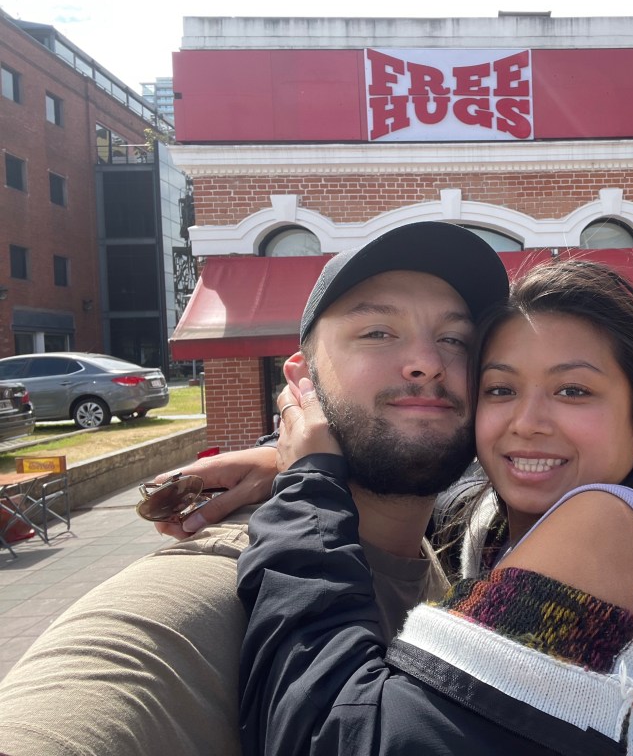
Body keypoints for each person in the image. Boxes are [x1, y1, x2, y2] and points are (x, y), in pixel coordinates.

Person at [237, 260, 633, 754]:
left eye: (573, 391)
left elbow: (341, 738)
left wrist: (308, 484)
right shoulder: (496, 530)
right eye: (501, 390)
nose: (527, 423)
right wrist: (307, 456)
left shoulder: (604, 527)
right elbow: (433, 501)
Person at [0, 222, 510, 756]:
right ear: (302, 379)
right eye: (377, 332)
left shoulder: (459, 547)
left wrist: (292, 464)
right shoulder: (215, 586)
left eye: (455, 339)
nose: (427, 361)